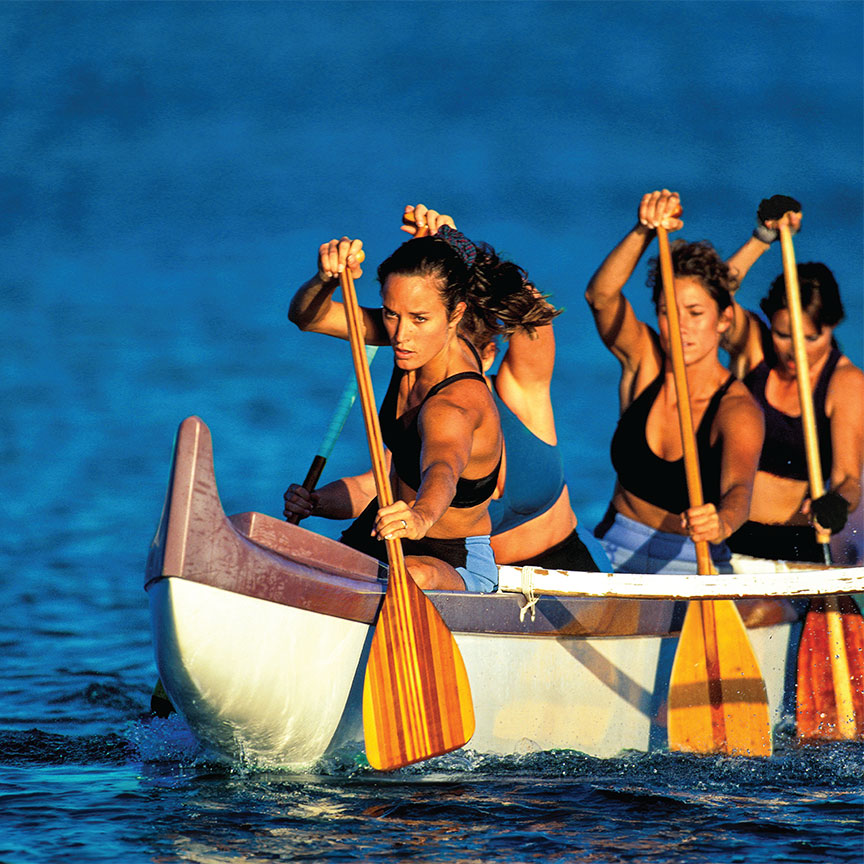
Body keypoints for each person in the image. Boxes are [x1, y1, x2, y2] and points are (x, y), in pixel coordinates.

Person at [283, 208, 557, 592]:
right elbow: (307, 317)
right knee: (289, 554)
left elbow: (443, 465)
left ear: (456, 314)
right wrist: (325, 279)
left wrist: (421, 517)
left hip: (448, 559)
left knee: (411, 574)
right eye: (392, 315)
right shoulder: (410, 339)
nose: (401, 335)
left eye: (419, 319)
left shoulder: (459, 400)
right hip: (384, 537)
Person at [584, 189, 764, 574]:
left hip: (693, 560)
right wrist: (644, 230)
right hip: (614, 543)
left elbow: (739, 491)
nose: (680, 327)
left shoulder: (737, 408)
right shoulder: (644, 360)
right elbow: (600, 297)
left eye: (695, 312)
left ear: (724, 320)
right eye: (667, 312)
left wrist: (723, 522)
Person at [721, 195, 864, 563]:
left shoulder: (845, 382)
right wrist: (761, 238)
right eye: (783, 335)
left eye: (810, 339)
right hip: (725, 536)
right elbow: (714, 296)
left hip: (796, 547)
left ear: (831, 327)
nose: (793, 351)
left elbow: (849, 479)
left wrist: (837, 503)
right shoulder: (753, 347)